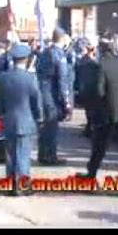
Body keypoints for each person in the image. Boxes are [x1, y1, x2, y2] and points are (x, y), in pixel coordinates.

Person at [77, 34, 118, 199]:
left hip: (108, 112)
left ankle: (90, 177)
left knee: (99, 147)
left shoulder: (103, 66)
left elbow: (100, 91)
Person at [0, 44, 43, 196]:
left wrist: (2, 113)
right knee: (23, 154)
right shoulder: (30, 78)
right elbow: (36, 101)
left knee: (10, 155)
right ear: (26, 59)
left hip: (9, 120)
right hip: (26, 120)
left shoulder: (3, 77)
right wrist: (39, 117)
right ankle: (22, 185)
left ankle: (10, 185)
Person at [36, 27, 71, 165]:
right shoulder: (59, 54)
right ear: (62, 39)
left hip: (43, 93)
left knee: (45, 127)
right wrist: (66, 100)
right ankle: (50, 157)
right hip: (53, 95)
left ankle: (43, 154)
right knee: (52, 127)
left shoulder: (45, 52)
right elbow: (62, 79)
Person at [75, 39, 99, 138]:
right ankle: (90, 128)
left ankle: (89, 128)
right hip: (90, 88)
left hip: (85, 88)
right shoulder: (91, 62)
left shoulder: (82, 61)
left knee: (89, 110)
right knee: (90, 110)